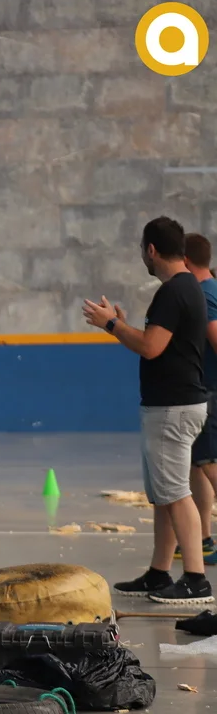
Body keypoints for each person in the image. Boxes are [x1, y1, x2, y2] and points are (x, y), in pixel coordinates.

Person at [82, 216, 213, 603]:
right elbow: (159, 343)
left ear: (151, 250)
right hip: (175, 404)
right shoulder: (187, 287)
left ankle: (195, 578)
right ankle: (159, 572)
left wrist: (110, 325)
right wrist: (122, 325)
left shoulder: (174, 292)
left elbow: (150, 347)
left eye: (143, 249)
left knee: (176, 494)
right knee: (163, 494)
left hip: (173, 407)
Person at [177, 233, 217, 564]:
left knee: (211, 464)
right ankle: (203, 538)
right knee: (198, 465)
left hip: (209, 392)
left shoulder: (204, 295)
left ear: (186, 261)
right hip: (201, 392)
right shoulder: (210, 289)